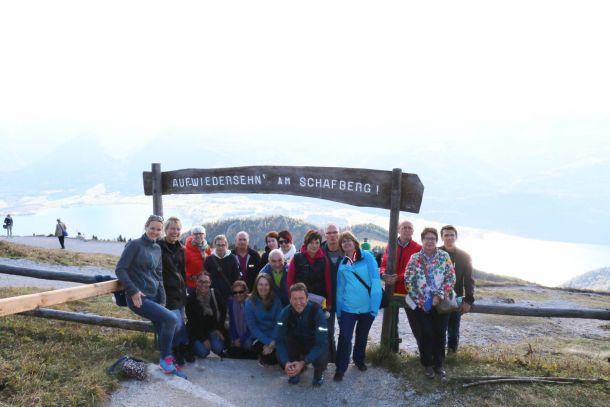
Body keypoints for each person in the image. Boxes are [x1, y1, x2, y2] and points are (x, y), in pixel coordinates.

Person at [115, 215, 183, 377]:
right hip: (138, 298)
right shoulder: (134, 245)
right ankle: (165, 360)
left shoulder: (157, 248)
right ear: (146, 227)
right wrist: (133, 291)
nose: (155, 232)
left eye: (158, 229)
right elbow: (120, 269)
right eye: (152, 228)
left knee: (163, 326)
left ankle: (167, 361)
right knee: (171, 319)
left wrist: (163, 299)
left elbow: (159, 275)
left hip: (155, 296)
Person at [405, 227, 456, 381]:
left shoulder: (444, 256)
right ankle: (427, 363)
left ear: (436, 240)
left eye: (433, 238)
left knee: (440, 333)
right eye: (427, 238)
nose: (430, 241)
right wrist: (422, 301)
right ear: (422, 240)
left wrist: (439, 296)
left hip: (441, 302)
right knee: (426, 333)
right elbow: (408, 280)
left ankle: (439, 365)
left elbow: (451, 278)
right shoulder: (415, 258)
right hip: (422, 304)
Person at [334, 231, 382, 381]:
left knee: (362, 336)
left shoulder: (367, 257)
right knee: (344, 337)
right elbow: (340, 289)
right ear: (341, 246)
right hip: (348, 308)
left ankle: (359, 360)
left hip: (367, 308)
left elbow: (375, 281)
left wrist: (374, 307)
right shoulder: (343, 263)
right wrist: (339, 310)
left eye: (349, 240)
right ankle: (340, 368)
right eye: (343, 241)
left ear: (355, 242)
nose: (346, 243)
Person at [379, 220, 422, 351]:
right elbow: (383, 265)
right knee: (391, 324)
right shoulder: (390, 245)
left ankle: (424, 352)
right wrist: (383, 274)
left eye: (410, 228)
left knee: (416, 324)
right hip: (391, 290)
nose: (407, 230)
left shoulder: (418, 248)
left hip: (410, 292)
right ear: (398, 230)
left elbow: (415, 269)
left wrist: (399, 277)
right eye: (404, 227)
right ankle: (392, 351)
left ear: (413, 231)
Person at [275, 283, 329, 387]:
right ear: (290, 300)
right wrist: (286, 362)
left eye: (301, 298)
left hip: (314, 343)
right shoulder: (285, 313)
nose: (298, 302)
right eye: (294, 299)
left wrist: (304, 362)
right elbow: (279, 341)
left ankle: (318, 375)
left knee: (322, 357)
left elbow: (321, 344)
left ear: (307, 299)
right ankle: (294, 370)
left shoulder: (317, 313)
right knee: (280, 354)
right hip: (296, 342)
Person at [157, 216, 193, 366]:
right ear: (166, 230)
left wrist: (185, 290)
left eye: (178, 229)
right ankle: (177, 349)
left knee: (180, 322)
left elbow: (182, 271)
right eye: (172, 228)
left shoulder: (181, 248)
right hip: (166, 293)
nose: (175, 232)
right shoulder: (158, 247)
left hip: (179, 293)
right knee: (176, 323)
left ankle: (181, 348)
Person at [439, 225, 475, 353]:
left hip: (457, 297)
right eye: (446, 235)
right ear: (442, 237)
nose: (449, 238)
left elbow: (469, 280)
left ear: (456, 237)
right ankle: (437, 356)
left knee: (453, 330)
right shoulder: (436, 253)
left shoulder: (464, 256)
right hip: (437, 297)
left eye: (451, 235)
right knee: (438, 329)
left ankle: (452, 356)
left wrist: (469, 300)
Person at [185, 273, 227, 359]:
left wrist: (218, 329)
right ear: (196, 282)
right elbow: (193, 323)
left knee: (218, 348)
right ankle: (195, 346)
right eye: (201, 281)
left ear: (210, 283)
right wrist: (203, 339)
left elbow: (223, 311)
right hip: (197, 332)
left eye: (206, 282)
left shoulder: (215, 294)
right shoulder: (191, 299)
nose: (203, 284)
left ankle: (212, 342)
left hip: (213, 329)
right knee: (203, 352)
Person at [245, 273, 283, 366]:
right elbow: (253, 328)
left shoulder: (276, 300)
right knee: (270, 359)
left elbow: (279, 323)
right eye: (260, 284)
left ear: (270, 286)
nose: (263, 287)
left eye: (266, 285)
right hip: (259, 337)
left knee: (283, 356)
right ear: (256, 286)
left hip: (275, 335)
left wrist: (273, 341)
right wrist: (268, 342)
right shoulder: (249, 302)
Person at [322, 223, 341, 363]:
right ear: (325, 235)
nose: (332, 235)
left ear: (339, 234)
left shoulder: (346, 251)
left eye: (335, 232)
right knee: (328, 332)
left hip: (344, 300)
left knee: (345, 333)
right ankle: (332, 360)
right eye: (329, 233)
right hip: (326, 300)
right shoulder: (320, 252)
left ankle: (342, 360)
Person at [204, 234, 241, 304]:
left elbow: (236, 277)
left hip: (229, 295)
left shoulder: (232, 258)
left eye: (223, 245)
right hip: (213, 295)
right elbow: (206, 277)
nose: (220, 247)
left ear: (226, 245)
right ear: (215, 245)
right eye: (218, 245)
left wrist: (234, 293)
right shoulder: (209, 259)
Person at [226, 280, 255, 358]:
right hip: (237, 333)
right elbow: (231, 323)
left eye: (240, 292)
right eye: (235, 292)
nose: (237, 294)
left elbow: (252, 326)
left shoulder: (251, 303)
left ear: (246, 292)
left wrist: (241, 339)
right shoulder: (231, 303)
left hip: (250, 333)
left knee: (247, 344)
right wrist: (235, 338)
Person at [184, 225, 212, 295]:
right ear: (192, 235)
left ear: (204, 235)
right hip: (192, 285)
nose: (198, 236)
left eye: (201, 233)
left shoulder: (207, 248)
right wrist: (190, 276)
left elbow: (211, 265)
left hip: (205, 284)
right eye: (195, 234)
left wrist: (206, 257)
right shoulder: (186, 250)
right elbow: (181, 267)